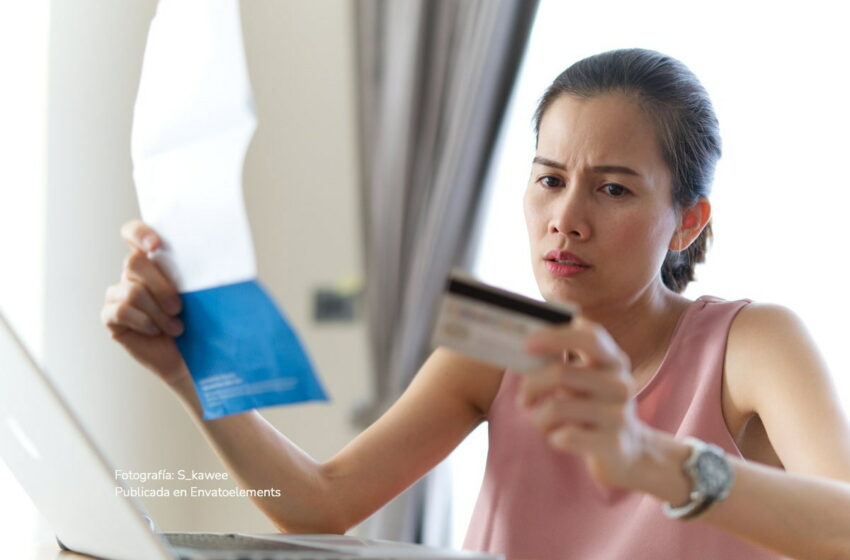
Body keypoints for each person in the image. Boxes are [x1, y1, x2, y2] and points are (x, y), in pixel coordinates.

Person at [101, 48, 850, 559]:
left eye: (613, 188)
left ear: (688, 220)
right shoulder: (497, 342)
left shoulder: (754, 342)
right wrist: (187, 370)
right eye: (550, 179)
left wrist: (648, 457)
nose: (567, 217)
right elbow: (317, 505)